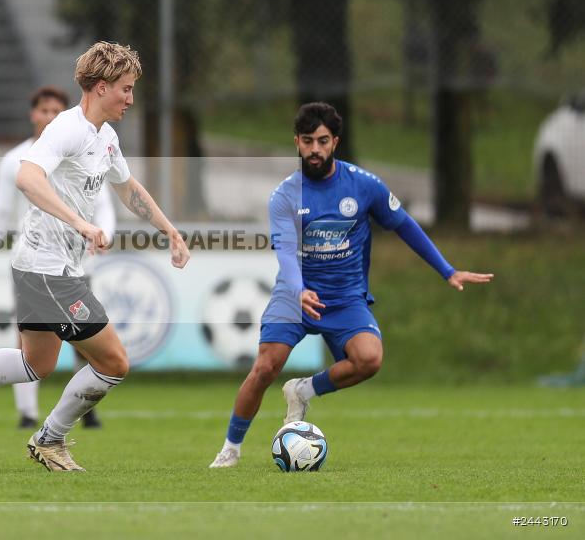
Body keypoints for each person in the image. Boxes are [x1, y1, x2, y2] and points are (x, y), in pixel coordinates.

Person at [0, 41, 190, 471]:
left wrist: (170, 231)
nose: (130, 98)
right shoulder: (67, 129)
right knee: (113, 361)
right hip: (48, 270)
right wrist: (81, 223)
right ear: (101, 87)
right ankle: (49, 440)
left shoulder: (105, 136)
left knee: (36, 364)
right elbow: (27, 177)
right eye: (125, 89)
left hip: (42, 268)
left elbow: (128, 189)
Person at [209, 102, 493, 468]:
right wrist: (298, 290)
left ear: (335, 142)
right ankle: (230, 448)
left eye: (322, 141)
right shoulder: (284, 196)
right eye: (308, 140)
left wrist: (446, 270)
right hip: (295, 295)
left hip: (344, 298)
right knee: (265, 367)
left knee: (369, 359)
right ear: (296, 142)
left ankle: (303, 390)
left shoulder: (364, 185)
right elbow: (285, 251)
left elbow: (404, 224)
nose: (315, 149)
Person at [0, 85, 115, 429]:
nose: (49, 117)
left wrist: (104, 235)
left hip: (78, 260)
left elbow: (105, 203)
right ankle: (28, 411)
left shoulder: (88, 148)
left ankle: (85, 405)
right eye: (43, 111)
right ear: (32, 114)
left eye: (56, 111)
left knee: (85, 337)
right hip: (35, 262)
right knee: (29, 342)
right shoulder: (15, 161)